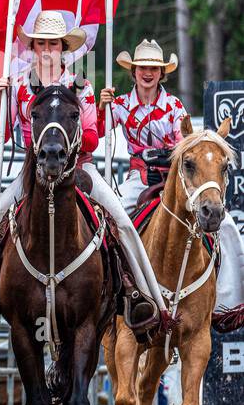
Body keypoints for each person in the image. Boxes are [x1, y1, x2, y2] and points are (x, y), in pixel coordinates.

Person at [0, 11, 167, 344]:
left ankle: (139, 296)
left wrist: (65, 140)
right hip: (33, 171)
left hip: (79, 169)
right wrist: (0, 101)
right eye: (41, 43)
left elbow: (91, 136)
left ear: (63, 48)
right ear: (32, 47)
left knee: (121, 220)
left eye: (53, 44)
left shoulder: (80, 86)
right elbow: (2, 134)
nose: (47, 49)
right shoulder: (19, 86)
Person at [100, 38, 244, 328]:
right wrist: (99, 105)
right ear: (134, 71)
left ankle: (229, 301)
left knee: (226, 224)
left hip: (174, 179)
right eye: (143, 67)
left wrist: (166, 155)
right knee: (110, 219)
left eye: (154, 68)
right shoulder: (120, 105)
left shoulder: (175, 107)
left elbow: (186, 149)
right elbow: (97, 130)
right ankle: (108, 291)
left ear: (162, 73)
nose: (148, 72)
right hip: (138, 179)